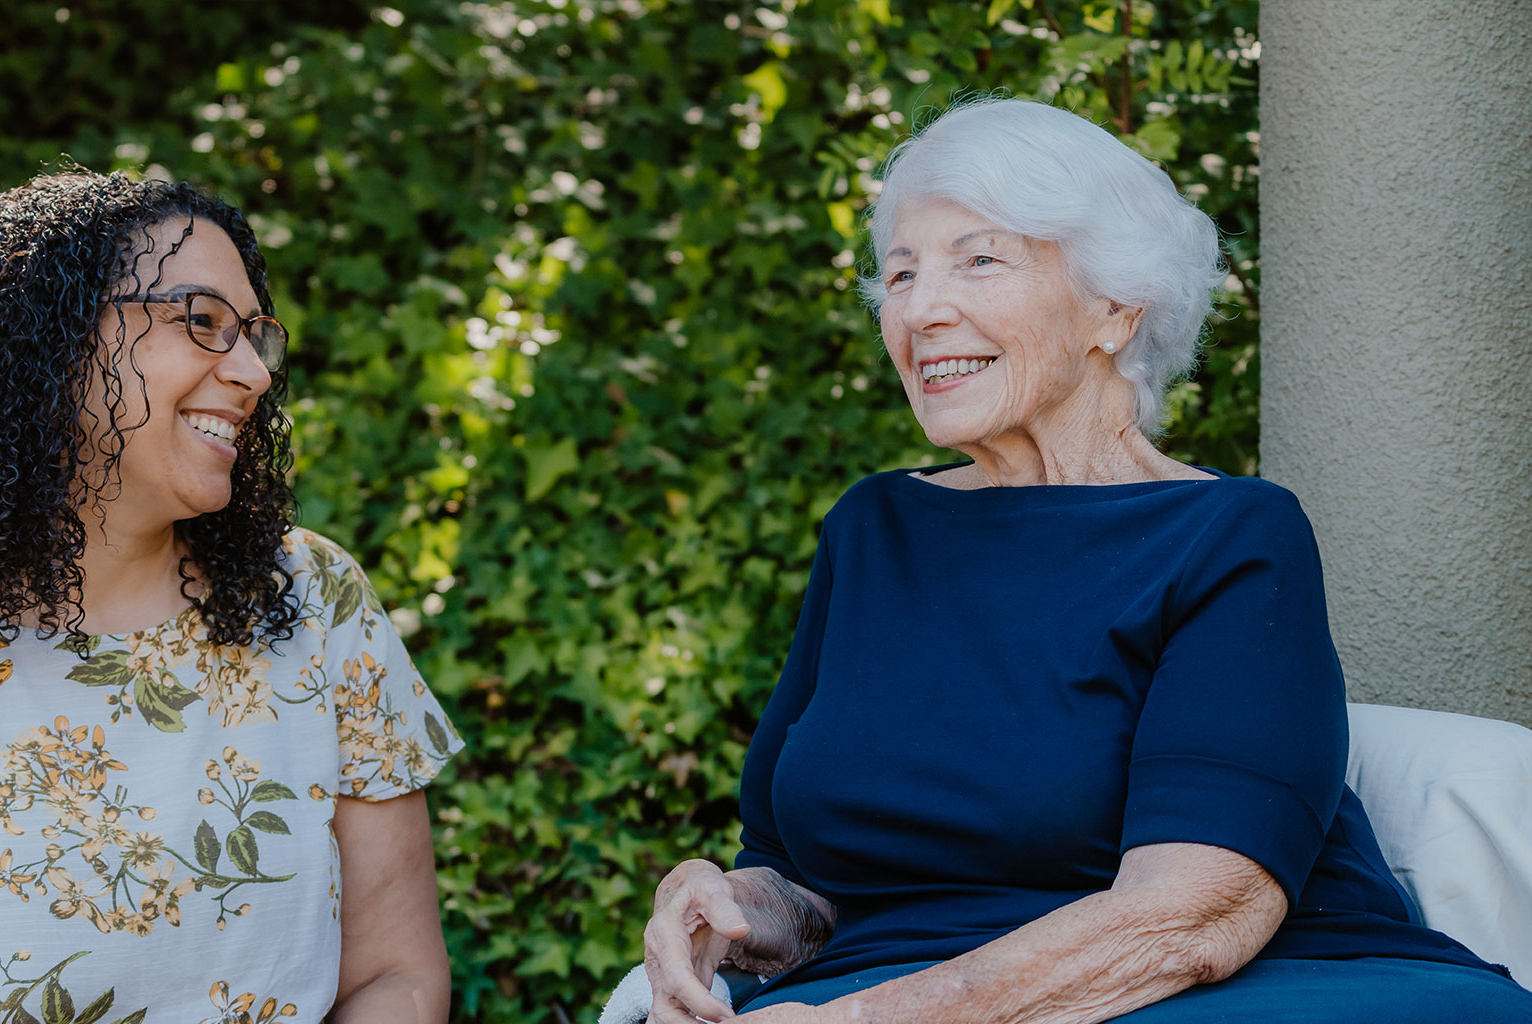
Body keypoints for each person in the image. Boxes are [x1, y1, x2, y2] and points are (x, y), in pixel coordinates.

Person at [640, 99, 1532, 1023]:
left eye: (979, 260)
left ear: (1116, 306)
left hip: (1237, 989)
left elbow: (1192, 917)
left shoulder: (1229, 533)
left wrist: (865, 1020)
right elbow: (803, 885)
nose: (922, 308)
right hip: (889, 989)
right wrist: (718, 907)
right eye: (900, 275)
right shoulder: (873, 530)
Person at [0, 172, 463, 1024]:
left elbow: (394, 978)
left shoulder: (316, 599)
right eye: (204, 323)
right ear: (57, 341)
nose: (255, 374)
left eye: (257, 337)